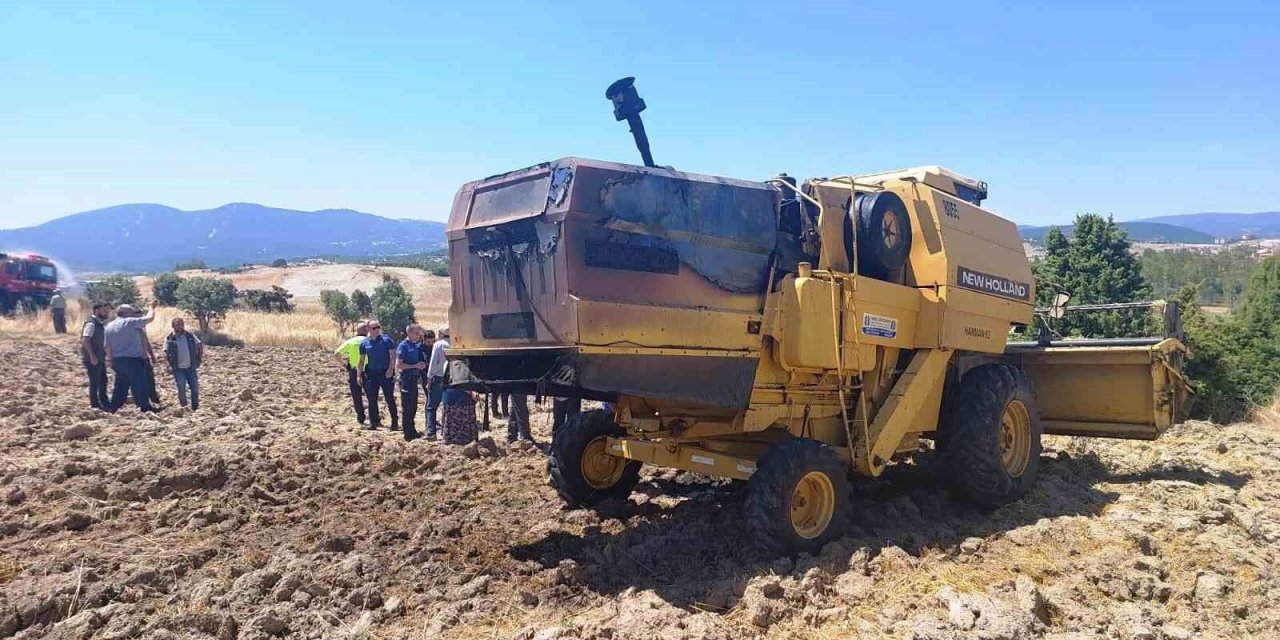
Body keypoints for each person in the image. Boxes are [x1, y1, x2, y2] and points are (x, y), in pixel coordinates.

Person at [104, 301, 159, 413]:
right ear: (124, 312)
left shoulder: (109, 326)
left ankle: (114, 407)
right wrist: (151, 307)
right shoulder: (130, 322)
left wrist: (110, 361)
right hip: (133, 360)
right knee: (140, 383)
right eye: (131, 311)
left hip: (118, 360)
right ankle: (145, 407)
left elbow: (107, 346)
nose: (133, 312)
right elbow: (150, 318)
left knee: (120, 385)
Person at [357, 321, 398, 432]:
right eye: (374, 328)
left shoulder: (386, 340)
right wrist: (359, 375)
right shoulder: (364, 343)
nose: (377, 329)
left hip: (385, 373)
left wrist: (391, 369)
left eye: (378, 327)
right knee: (372, 399)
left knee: (389, 398)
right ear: (368, 329)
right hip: (371, 374)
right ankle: (373, 422)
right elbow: (361, 361)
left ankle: (395, 422)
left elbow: (393, 356)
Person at [394, 324, 429, 441]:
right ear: (409, 333)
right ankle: (407, 433)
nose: (419, 336)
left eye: (419, 333)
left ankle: (412, 430)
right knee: (407, 407)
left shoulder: (417, 345)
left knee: (413, 406)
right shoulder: (403, 346)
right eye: (416, 333)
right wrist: (415, 366)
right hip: (406, 379)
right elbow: (399, 365)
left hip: (414, 379)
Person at [164, 317, 203, 410]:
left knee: (195, 389)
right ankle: (184, 407)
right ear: (172, 326)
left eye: (181, 324)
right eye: (177, 324)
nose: (180, 326)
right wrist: (168, 365)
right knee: (181, 389)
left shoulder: (190, 336)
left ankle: (195, 407)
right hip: (178, 368)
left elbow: (199, 346)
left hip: (191, 367)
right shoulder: (169, 338)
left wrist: (199, 359)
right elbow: (165, 352)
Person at [334, 322, 369, 425]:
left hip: (353, 371)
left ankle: (360, 417)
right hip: (368, 370)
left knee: (356, 395)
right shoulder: (369, 341)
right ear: (366, 331)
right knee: (371, 395)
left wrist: (344, 365)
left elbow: (336, 353)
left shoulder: (350, 341)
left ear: (357, 331)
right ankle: (373, 417)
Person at [80, 302, 112, 409]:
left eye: (107, 311)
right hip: (93, 358)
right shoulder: (91, 324)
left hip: (100, 357)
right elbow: (85, 340)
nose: (106, 313)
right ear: (96, 311)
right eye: (104, 311)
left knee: (103, 380)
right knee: (95, 381)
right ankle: (95, 404)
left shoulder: (100, 324)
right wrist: (92, 355)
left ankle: (104, 401)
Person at [424, 326, 450, 440]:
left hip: (438, 378)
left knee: (431, 407)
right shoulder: (456, 343)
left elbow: (433, 364)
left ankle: (431, 432)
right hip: (453, 378)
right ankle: (446, 432)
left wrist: (429, 379)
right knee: (447, 406)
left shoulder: (438, 345)